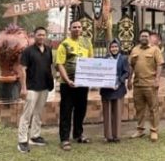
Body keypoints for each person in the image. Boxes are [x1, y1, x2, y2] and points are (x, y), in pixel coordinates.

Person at [55, 20, 93, 151]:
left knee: (81, 110)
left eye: (79, 27)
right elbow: (60, 64)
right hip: (68, 84)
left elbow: (91, 62)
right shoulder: (64, 44)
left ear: (82, 29)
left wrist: (92, 79)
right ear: (69, 29)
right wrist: (67, 80)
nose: (77, 29)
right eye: (74, 27)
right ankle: (64, 139)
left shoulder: (87, 42)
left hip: (83, 83)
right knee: (66, 110)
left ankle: (78, 134)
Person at [15, 26, 54, 153]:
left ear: (46, 36)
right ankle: (22, 141)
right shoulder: (28, 51)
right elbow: (22, 70)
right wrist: (23, 88)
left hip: (44, 87)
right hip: (31, 87)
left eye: (43, 35)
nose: (41, 37)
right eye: (39, 35)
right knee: (27, 115)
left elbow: (49, 67)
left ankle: (35, 136)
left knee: (38, 113)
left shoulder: (48, 50)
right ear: (34, 35)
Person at [127, 29, 165, 142]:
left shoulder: (155, 50)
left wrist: (157, 79)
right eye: (142, 36)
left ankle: (154, 131)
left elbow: (159, 65)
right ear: (139, 38)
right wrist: (129, 80)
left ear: (149, 38)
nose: (144, 38)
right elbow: (131, 66)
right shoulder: (135, 49)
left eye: (146, 36)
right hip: (137, 84)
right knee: (139, 109)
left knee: (153, 108)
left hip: (150, 84)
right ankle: (140, 130)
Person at [99, 39, 130, 143]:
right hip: (106, 89)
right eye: (112, 47)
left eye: (116, 47)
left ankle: (116, 136)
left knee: (117, 112)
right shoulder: (105, 59)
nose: (114, 49)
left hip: (118, 88)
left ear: (119, 47)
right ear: (109, 48)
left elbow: (126, 73)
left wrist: (119, 82)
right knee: (107, 112)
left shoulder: (123, 58)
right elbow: (101, 72)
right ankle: (108, 136)